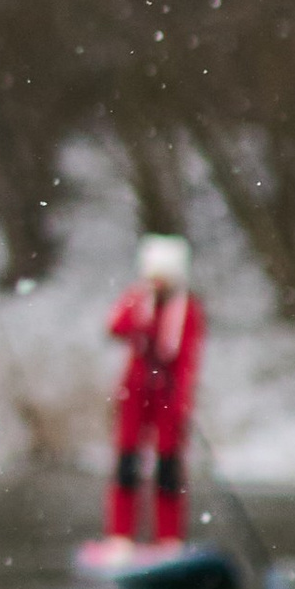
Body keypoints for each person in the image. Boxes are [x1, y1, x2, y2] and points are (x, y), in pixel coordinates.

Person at [103, 234, 205, 548]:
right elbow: (115, 327)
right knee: (127, 464)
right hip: (135, 394)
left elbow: (187, 360)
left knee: (169, 469)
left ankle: (169, 538)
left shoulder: (187, 310)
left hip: (168, 396)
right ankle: (120, 537)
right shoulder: (137, 301)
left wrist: (181, 405)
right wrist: (140, 319)